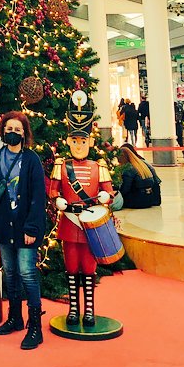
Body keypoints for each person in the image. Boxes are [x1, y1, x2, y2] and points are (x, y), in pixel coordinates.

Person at [0, 111, 46, 350]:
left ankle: (35, 327)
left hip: (25, 227)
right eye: (9, 129)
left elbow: (39, 197)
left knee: (27, 273)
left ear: (25, 134)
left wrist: (32, 227)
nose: (13, 133)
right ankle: (15, 318)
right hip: (1, 226)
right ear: (3, 132)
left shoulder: (32, 160)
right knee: (9, 272)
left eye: (18, 130)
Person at [49, 91, 114, 327]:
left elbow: (108, 191)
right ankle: (74, 309)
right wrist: (58, 201)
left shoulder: (99, 166)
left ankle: (89, 310)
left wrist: (105, 196)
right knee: (71, 267)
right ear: (68, 141)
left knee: (88, 269)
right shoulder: (62, 166)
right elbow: (53, 190)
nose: (78, 145)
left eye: (83, 141)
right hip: (69, 223)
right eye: (74, 141)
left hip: (90, 226)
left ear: (90, 141)